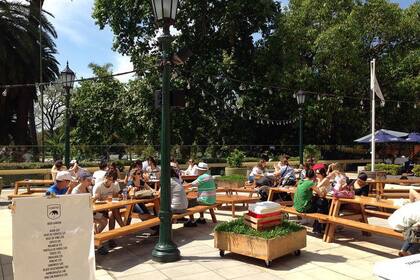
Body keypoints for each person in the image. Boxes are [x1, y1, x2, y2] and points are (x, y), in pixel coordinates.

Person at [92, 169, 124, 244]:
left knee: (112, 214)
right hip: (99, 209)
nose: (107, 180)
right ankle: (122, 227)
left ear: (113, 181)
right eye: (106, 177)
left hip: (110, 208)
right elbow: (94, 202)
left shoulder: (114, 185)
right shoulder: (98, 186)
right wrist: (105, 200)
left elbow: (117, 197)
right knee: (112, 213)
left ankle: (111, 237)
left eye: (110, 179)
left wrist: (118, 196)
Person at [388, 190, 420, 256]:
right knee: (417, 231)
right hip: (398, 224)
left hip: (393, 218)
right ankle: (409, 252)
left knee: (415, 229)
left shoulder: (419, 198)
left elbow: (411, 190)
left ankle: (403, 250)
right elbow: (416, 227)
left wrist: (412, 203)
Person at [183, 162, 216, 227]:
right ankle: (201, 218)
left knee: (188, 203)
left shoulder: (202, 177)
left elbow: (191, 184)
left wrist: (181, 187)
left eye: (198, 169)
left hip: (205, 200)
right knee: (198, 199)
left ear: (201, 170)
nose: (197, 170)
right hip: (212, 200)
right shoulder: (209, 176)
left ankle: (192, 221)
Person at [312, 168, 331, 233]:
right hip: (320, 198)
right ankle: (318, 227)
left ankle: (319, 228)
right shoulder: (318, 179)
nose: (316, 174)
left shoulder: (325, 179)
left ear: (322, 174)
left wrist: (313, 184)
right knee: (316, 206)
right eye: (316, 173)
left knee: (319, 207)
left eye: (318, 173)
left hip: (326, 199)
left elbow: (317, 187)